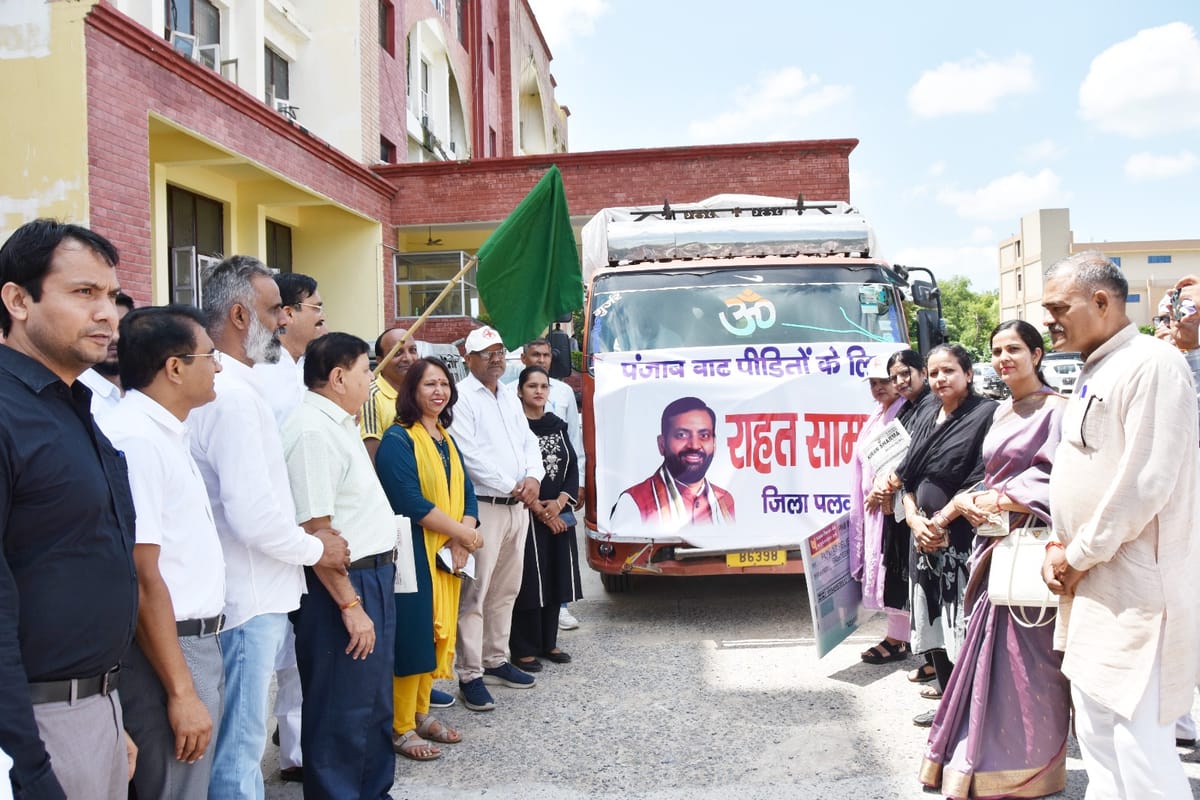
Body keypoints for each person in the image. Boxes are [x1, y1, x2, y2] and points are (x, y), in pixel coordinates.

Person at [188, 255, 350, 799]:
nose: (283, 321)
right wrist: (315, 548)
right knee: (239, 749)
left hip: (251, 589)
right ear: (239, 315)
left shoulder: (236, 385)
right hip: (247, 594)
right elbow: (252, 514)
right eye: (274, 309)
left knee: (240, 741)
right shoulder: (229, 395)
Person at [1041, 251, 1199, 799]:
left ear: (1102, 301)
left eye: (1059, 307)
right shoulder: (1099, 366)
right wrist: (1063, 548)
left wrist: (1076, 554)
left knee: (1141, 747)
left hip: (1135, 588)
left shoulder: (1153, 364)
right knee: (1099, 734)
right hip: (1092, 583)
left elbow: (1143, 486)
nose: (1049, 321)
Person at [0, 219, 138, 798]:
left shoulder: (76, 406)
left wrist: (110, 716)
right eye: (84, 293)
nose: (107, 313)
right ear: (18, 299)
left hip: (96, 713)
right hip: (33, 730)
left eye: (109, 295)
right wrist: (25, 761)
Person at [918, 320, 1070, 797]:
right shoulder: (1002, 410)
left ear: (1038, 354)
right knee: (988, 656)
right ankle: (978, 759)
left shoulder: (1060, 410)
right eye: (998, 350)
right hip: (993, 543)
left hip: (1032, 542)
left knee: (1032, 661)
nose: (1005, 358)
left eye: (1015, 349)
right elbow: (990, 473)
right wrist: (965, 504)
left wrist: (1000, 499)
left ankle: (1033, 768)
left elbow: (1060, 478)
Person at [100, 305, 227, 800]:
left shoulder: (164, 432)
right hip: (167, 648)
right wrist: (181, 690)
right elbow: (141, 572)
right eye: (210, 356)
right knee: (173, 788)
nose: (217, 367)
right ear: (175, 367)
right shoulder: (136, 439)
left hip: (190, 644)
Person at [280, 333, 398, 799]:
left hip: (374, 576)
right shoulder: (311, 430)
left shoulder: (339, 422)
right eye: (367, 370)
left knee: (371, 707)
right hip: (343, 586)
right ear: (337, 376)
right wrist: (350, 603)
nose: (372, 379)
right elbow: (317, 531)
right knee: (340, 711)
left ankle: (373, 791)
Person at [878, 344, 996, 725]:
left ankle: (975, 710)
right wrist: (913, 519)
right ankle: (947, 704)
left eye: (949, 371)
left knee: (962, 620)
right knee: (932, 621)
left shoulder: (986, 415)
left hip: (958, 537)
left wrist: (940, 522)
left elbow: (983, 476)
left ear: (969, 374)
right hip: (923, 537)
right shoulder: (928, 413)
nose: (940, 379)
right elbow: (907, 474)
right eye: (934, 373)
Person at [375, 357, 482, 757]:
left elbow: (467, 490)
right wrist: (463, 534)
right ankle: (400, 726)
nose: (439, 391)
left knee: (437, 637)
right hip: (412, 553)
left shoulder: (445, 437)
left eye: (443, 384)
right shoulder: (398, 439)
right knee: (414, 637)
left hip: (446, 552)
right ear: (411, 391)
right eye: (428, 385)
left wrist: (461, 538)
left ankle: (420, 713)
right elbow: (408, 501)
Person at [251, 271, 325, 782]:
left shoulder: (302, 371)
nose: (322, 313)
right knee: (263, 663)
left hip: (307, 533)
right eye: (314, 305)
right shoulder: (262, 376)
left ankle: (297, 752)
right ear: (287, 315)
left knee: (300, 659)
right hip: (273, 537)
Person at [450, 325, 544, 711]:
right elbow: (468, 454)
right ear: (468, 359)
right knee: (475, 592)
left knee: (506, 588)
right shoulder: (461, 398)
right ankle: (470, 672)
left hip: (517, 508)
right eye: (486, 352)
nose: (495, 358)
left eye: (500, 351)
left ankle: (495, 658)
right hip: (485, 506)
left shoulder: (507, 395)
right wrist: (513, 484)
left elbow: (529, 442)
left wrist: (534, 478)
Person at [510, 366, 584, 673]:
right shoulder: (515, 428)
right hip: (528, 513)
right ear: (520, 391)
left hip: (557, 510)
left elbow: (571, 465)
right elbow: (516, 471)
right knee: (528, 581)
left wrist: (562, 501)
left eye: (543, 386)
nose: (539, 391)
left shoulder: (558, 424)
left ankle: (548, 642)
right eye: (532, 386)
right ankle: (523, 648)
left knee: (555, 576)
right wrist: (541, 510)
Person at [849, 355, 910, 665]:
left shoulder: (909, 412)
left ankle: (900, 641)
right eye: (872, 383)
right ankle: (901, 637)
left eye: (883, 382)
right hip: (876, 508)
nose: (877, 388)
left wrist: (882, 489)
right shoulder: (879, 414)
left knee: (896, 573)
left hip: (893, 506)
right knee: (890, 573)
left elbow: (906, 460)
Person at [609, 396, 735, 531]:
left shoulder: (724, 500)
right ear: (662, 444)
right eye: (682, 435)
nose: (694, 445)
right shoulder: (633, 502)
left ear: (714, 444)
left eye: (704, 435)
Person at [361, 326, 421, 464]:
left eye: (413, 350)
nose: (408, 358)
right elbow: (373, 458)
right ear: (380, 360)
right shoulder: (370, 396)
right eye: (397, 352)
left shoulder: (422, 393)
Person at [77, 291, 133, 419]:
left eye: (122, 327)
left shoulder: (147, 389)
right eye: (103, 327)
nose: (115, 337)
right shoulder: (75, 396)